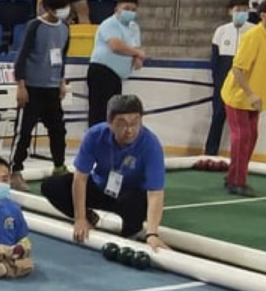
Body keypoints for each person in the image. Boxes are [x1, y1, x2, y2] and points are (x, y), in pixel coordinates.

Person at [41, 94, 170, 251]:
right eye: (122, 124)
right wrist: (80, 217)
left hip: (128, 198)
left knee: (139, 202)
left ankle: (128, 233)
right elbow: (80, 178)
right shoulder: (95, 135)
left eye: (135, 123)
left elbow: (155, 192)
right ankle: (90, 217)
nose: (129, 130)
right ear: (110, 122)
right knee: (51, 185)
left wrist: (152, 234)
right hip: (100, 188)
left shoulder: (151, 144)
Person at [10, 0, 71, 191]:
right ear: (49, 8)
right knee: (24, 131)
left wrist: (61, 81)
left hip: (52, 87)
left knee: (58, 130)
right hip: (32, 87)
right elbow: (22, 57)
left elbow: (63, 57)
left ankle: (59, 167)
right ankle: (14, 169)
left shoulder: (65, 28)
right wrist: (21, 85)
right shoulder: (34, 26)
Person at [220, 0, 266, 196]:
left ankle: (235, 174)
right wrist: (250, 93)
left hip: (256, 98)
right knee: (242, 137)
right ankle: (237, 181)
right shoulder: (253, 36)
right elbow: (238, 68)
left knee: (251, 137)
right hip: (240, 96)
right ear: (262, 14)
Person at [87, 0, 145, 126]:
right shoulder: (110, 24)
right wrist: (138, 52)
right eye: (126, 8)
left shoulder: (133, 27)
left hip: (116, 76)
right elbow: (115, 45)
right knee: (99, 113)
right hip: (102, 71)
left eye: (133, 10)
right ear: (117, 9)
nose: (130, 12)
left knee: (113, 113)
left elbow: (136, 46)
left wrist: (138, 56)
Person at [205, 0, 253, 157]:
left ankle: (240, 156)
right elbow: (215, 59)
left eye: (245, 10)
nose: (242, 13)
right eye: (238, 9)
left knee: (242, 123)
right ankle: (210, 153)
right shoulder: (221, 31)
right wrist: (217, 81)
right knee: (218, 116)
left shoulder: (254, 31)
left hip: (245, 81)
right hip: (223, 79)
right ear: (230, 11)